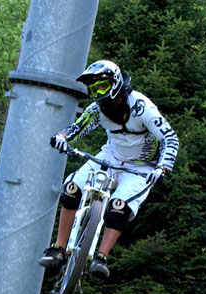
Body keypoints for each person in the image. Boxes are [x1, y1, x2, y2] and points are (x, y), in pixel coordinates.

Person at [38, 60, 179, 278]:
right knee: (73, 188)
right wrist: (61, 138)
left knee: (118, 206)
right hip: (110, 156)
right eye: (92, 89)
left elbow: (170, 138)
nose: (97, 93)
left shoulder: (141, 107)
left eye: (101, 86)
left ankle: (101, 257)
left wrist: (162, 167)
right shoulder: (98, 109)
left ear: (114, 83)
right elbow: (77, 128)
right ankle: (58, 248)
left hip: (141, 167)